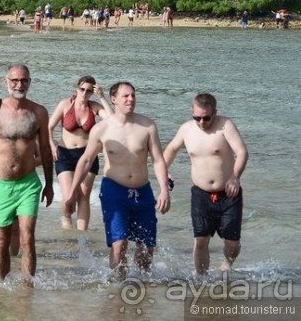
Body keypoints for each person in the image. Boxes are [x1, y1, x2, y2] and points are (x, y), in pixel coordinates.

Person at [65, 82, 170, 280]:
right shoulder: (102, 128)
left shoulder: (147, 126)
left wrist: (164, 189)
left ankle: (142, 287)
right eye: (126, 96)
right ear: (114, 99)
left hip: (143, 191)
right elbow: (86, 160)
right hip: (115, 191)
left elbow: (158, 159)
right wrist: (71, 193)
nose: (131, 99)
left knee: (146, 248)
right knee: (119, 244)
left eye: (133, 95)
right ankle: (119, 288)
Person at [0, 64, 54, 285]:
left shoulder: (38, 112)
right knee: (2, 241)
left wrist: (49, 184)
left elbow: (45, 150)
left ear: (30, 82)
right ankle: (3, 285)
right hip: (1, 184)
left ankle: (28, 289)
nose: (20, 85)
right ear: (5, 81)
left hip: (28, 183)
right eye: (15, 80)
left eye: (24, 80)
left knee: (28, 237)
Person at [163, 93, 249, 275]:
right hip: (201, 194)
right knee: (201, 240)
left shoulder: (226, 126)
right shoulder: (187, 129)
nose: (201, 122)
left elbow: (242, 152)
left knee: (232, 243)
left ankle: (227, 264)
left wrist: (235, 177)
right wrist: (164, 170)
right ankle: (201, 279)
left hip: (228, 193)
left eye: (206, 118)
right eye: (197, 118)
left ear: (215, 112)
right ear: (192, 112)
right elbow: (171, 148)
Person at [48, 76, 113, 230]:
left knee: (84, 196)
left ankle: (82, 233)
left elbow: (113, 120)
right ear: (77, 88)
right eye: (82, 89)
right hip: (65, 155)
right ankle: (67, 220)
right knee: (69, 194)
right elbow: (49, 127)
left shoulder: (94, 107)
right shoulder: (65, 104)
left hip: (87, 155)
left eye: (89, 91)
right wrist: (51, 145)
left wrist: (102, 97)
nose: (85, 93)